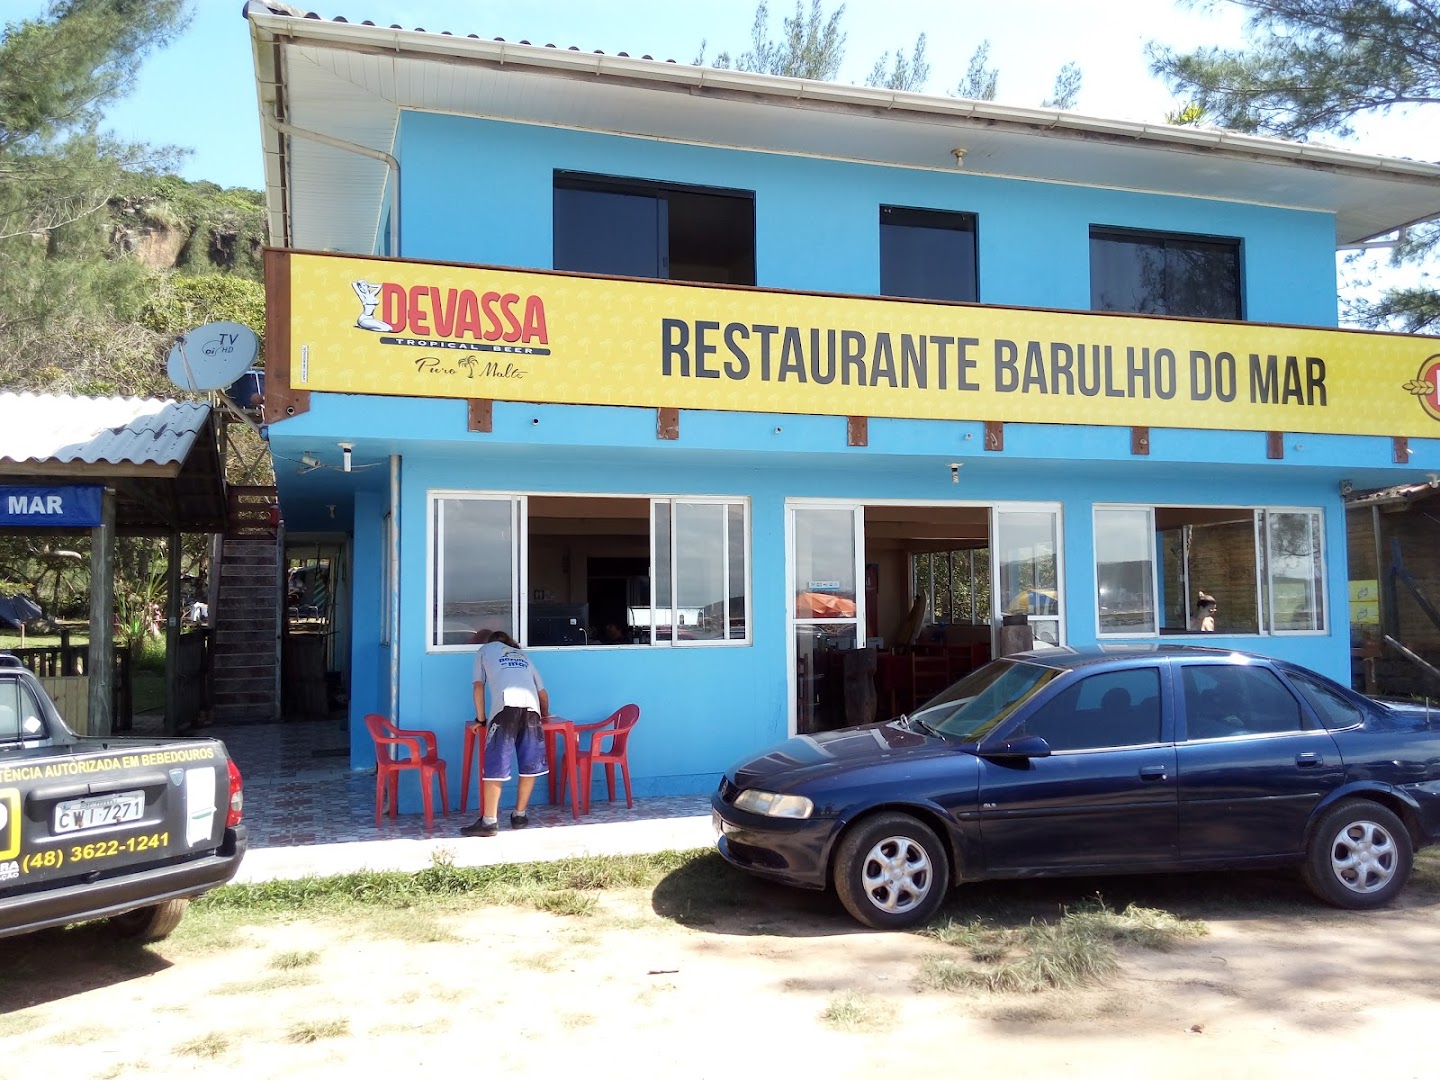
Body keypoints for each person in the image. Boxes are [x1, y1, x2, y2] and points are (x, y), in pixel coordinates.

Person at [461, 629, 549, 837]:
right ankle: (519, 815)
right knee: (530, 765)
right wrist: (544, 715)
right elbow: (542, 693)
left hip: (505, 707)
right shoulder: (522, 655)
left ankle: (489, 822)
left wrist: (480, 720)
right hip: (531, 709)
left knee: (495, 765)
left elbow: (477, 687)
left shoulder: (484, 650)